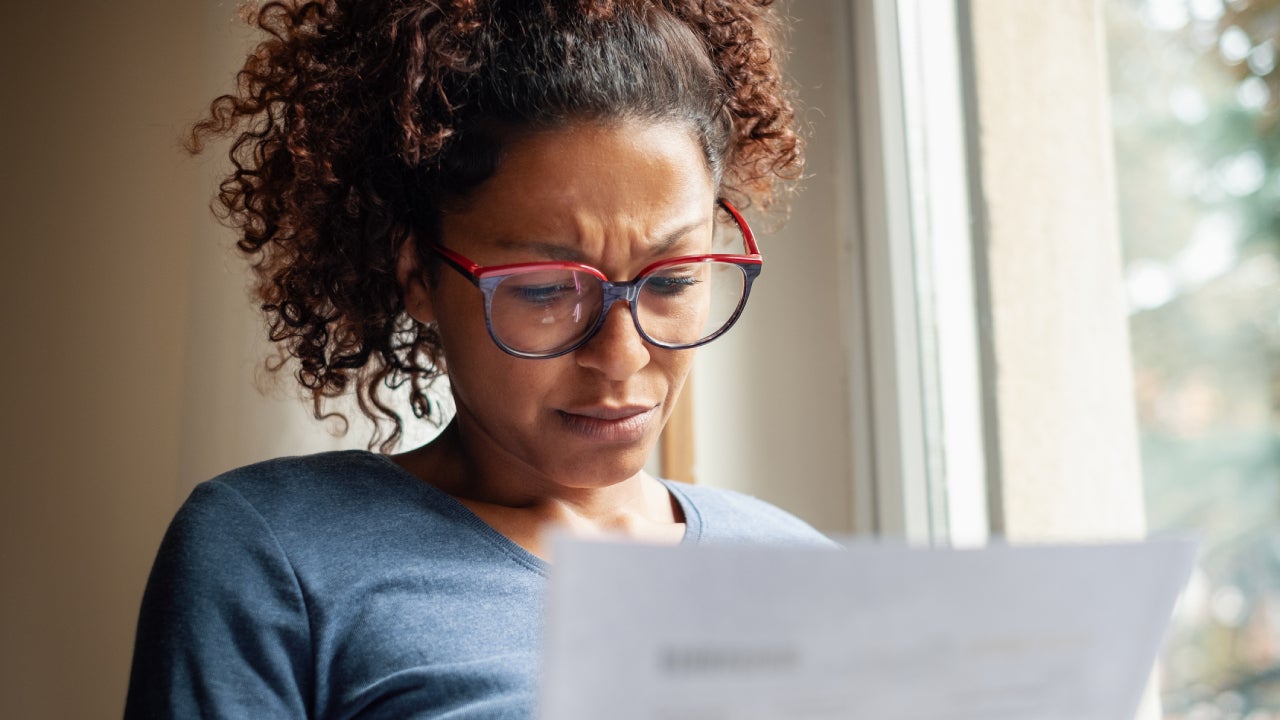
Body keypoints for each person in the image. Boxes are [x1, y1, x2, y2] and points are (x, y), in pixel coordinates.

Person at [125, 0, 828, 717]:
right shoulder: (275, 554)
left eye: (674, 280)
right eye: (549, 290)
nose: (621, 356)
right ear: (417, 275)